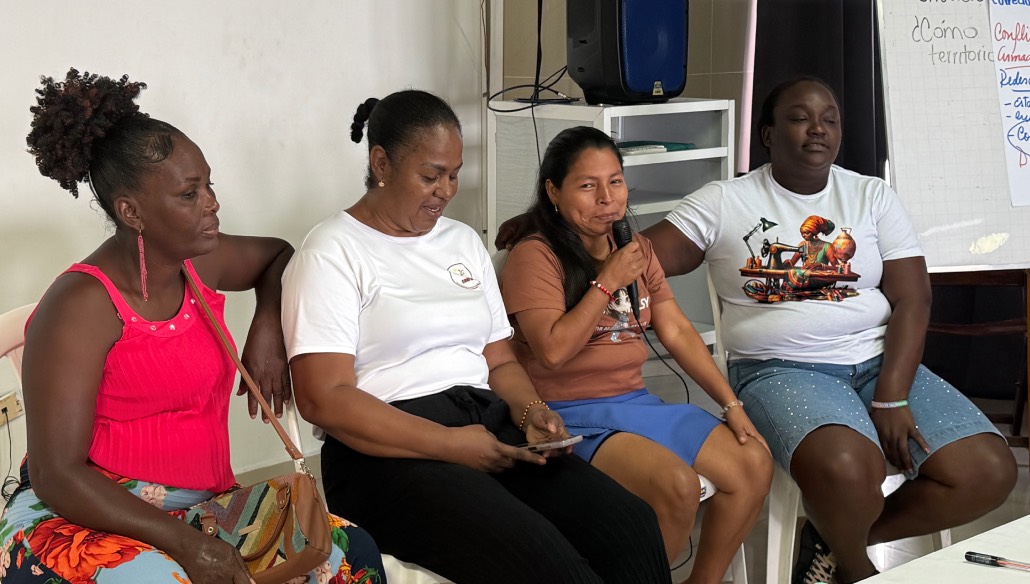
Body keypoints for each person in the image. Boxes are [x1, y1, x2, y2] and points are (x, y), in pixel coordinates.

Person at [497, 76, 1017, 584]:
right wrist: (547, 226)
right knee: (841, 470)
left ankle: (836, 542)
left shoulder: (873, 196)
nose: (817, 130)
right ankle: (856, 569)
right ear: (766, 133)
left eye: (829, 120)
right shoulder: (725, 201)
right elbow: (627, 267)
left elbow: (914, 298)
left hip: (879, 362)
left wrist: (890, 398)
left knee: (988, 470)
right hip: (779, 370)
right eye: (799, 118)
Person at [0, 69, 384, 584]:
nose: (212, 203)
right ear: (131, 211)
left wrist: (266, 329)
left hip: (205, 508)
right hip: (87, 516)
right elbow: (55, 474)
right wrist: (187, 545)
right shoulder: (80, 305)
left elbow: (278, 256)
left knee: (350, 549)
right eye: (189, 194)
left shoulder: (200, 264)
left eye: (208, 184)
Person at [281, 90, 672, 584]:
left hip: (483, 424)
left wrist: (532, 413)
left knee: (630, 526)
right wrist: (448, 444)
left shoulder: (461, 241)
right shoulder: (332, 251)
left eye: (454, 174)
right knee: (550, 566)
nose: (445, 190)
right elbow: (323, 398)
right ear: (380, 162)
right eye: (430, 175)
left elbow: (499, 360)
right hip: (384, 452)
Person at [499, 126, 773, 584]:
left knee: (753, 462)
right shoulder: (535, 256)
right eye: (588, 186)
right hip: (568, 416)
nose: (607, 198)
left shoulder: (636, 249)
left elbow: (677, 329)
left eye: (616, 181)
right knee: (677, 488)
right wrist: (606, 282)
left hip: (634, 405)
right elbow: (552, 351)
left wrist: (731, 405)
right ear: (553, 191)